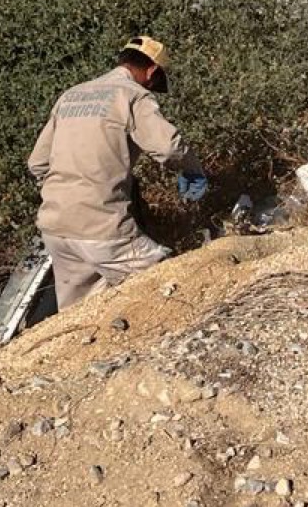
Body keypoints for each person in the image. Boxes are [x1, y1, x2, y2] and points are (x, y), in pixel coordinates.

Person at [26, 35, 207, 311]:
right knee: (171, 285)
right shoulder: (132, 95)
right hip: (102, 226)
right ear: (152, 71)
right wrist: (192, 169)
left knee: (81, 314)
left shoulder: (72, 95)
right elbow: (168, 148)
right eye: (156, 82)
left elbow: (37, 163)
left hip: (55, 226)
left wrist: (65, 193)